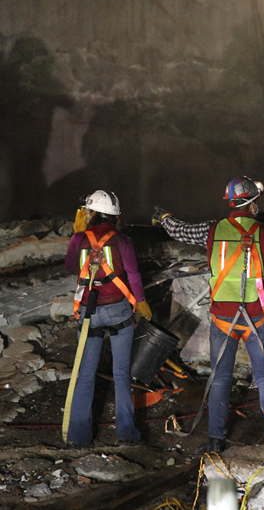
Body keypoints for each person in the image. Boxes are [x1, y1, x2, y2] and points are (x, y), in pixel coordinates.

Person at [152, 177, 264, 454]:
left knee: (220, 377)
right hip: (258, 318)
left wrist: (163, 216)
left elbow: (179, 230)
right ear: (253, 203)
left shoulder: (212, 230)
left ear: (231, 202)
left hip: (222, 318)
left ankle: (215, 440)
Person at [63, 190, 150, 448]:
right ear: (115, 217)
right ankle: (126, 433)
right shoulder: (123, 240)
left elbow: (70, 267)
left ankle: (78, 438)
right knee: (121, 373)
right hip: (118, 310)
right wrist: (142, 301)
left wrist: (76, 238)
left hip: (88, 312)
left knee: (85, 374)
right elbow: (133, 274)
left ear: (90, 213)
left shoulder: (79, 238)